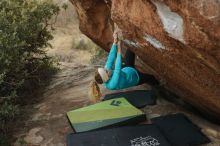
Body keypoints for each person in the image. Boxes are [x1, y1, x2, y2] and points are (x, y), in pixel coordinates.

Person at [94, 31, 159, 91]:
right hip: (135, 78)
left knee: (131, 48)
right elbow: (117, 69)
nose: (107, 69)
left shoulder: (106, 72)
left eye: (104, 69)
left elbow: (110, 59)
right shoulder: (112, 84)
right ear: (107, 77)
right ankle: (158, 86)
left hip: (127, 68)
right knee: (150, 78)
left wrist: (115, 42)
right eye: (106, 71)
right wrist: (119, 49)